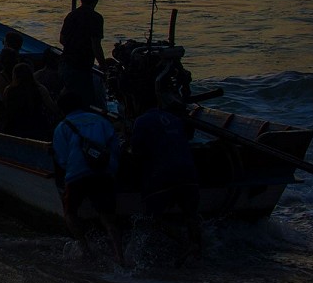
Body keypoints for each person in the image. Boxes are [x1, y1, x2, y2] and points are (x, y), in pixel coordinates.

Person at [52, 91, 127, 265]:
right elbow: (114, 148)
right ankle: (119, 256)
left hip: (76, 175)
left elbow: (62, 158)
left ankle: (85, 249)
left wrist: (72, 170)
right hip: (103, 173)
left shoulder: (62, 127)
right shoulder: (101, 121)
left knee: (70, 213)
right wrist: (111, 169)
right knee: (108, 218)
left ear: (62, 109)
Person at [129, 98, 202, 265]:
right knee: (191, 214)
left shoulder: (141, 121)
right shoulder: (176, 120)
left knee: (153, 218)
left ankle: (184, 242)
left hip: (161, 175)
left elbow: (136, 150)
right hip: (188, 172)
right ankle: (197, 246)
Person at [59, 0, 107, 108]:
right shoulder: (96, 18)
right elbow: (96, 46)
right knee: (86, 102)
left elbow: (62, 39)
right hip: (81, 67)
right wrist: (104, 67)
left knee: (69, 97)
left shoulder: (72, 15)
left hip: (65, 64)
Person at [0, 63, 58, 140]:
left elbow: (5, 108)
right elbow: (52, 107)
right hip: (37, 127)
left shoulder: (9, 90)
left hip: (15, 128)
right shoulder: (40, 89)